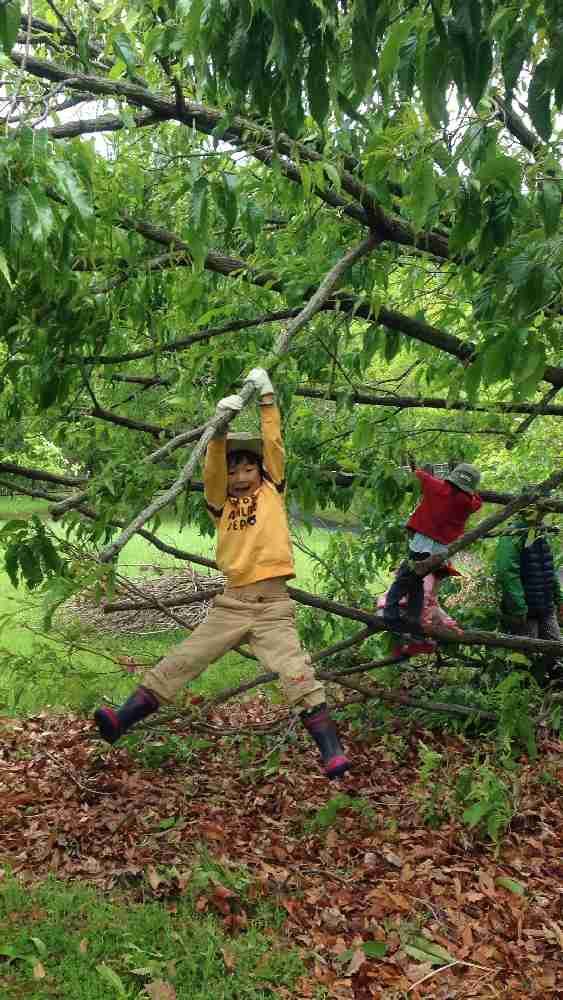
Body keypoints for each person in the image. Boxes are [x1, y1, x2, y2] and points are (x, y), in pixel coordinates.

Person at [94, 368, 350, 779]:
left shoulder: (272, 492)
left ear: (261, 472)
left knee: (295, 671)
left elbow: (275, 445)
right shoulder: (221, 505)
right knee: (184, 658)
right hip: (232, 604)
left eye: (248, 467)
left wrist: (267, 401)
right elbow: (212, 473)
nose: (240, 475)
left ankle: (331, 751)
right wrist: (217, 432)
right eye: (234, 471)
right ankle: (122, 719)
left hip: (272, 607)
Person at [383, 461, 482, 641]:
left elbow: (419, 475)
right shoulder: (468, 502)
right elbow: (478, 502)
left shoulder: (436, 486)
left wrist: (417, 468)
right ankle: (414, 619)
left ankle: (390, 616)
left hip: (422, 543)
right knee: (417, 580)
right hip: (441, 550)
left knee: (405, 577)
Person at [494, 507, 562, 682]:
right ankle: (522, 696)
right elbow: (506, 572)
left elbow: (549, 569)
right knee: (526, 657)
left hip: (546, 606)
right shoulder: (514, 534)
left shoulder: (540, 533)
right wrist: (519, 607)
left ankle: (554, 688)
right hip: (526, 610)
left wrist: (559, 600)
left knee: (555, 650)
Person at [377, 563, 463, 657]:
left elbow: (434, 605)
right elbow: (420, 602)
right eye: (444, 574)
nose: (444, 577)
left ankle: (403, 646)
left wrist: (449, 622)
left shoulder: (431, 581)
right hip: (396, 610)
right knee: (425, 619)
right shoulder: (427, 578)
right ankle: (417, 642)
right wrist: (426, 621)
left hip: (388, 609)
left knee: (431, 615)